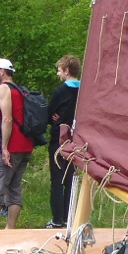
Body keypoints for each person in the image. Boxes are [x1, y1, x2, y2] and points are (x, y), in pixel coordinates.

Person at [0, 58, 34, 230]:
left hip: (10, 146)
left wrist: (4, 147)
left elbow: (8, 119)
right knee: (14, 188)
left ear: (1, 71)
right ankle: (10, 229)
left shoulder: (4, 88)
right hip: (25, 146)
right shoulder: (19, 89)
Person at [46, 55, 81, 229]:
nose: (58, 74)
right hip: (77, 140)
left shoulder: (61, 91)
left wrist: (54, 118)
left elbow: (48, 113)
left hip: (59, 140)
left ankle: (57, 220)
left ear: (67, 71)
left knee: (57, 180)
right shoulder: (84, 91)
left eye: (59, 70)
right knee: (70, 180)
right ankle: (69, 218)